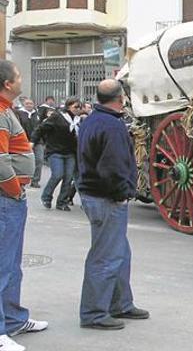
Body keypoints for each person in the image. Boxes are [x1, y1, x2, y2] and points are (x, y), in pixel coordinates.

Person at [77, 80, 147, 330]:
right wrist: (121, 193)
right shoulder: (112, 126)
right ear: (121, 99)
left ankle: (120, 303)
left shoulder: (92, 120)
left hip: (94, 194)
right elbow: (112, 168)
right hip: (105, 198)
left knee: (119, 253)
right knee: (106, 256)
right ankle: (94, 313)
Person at [0, 60, 48, 351]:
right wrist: (15, 190)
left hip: (10, 201)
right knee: (3, 266)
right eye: (18, 76)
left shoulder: (6, 110)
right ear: (8, 84)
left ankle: (14, 319)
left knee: (11, 265)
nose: (21, 80)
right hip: (6, 199)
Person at [33, 96, 80, 211]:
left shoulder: (78, 120)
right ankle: (46, 197)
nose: (78, 109)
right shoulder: (57, 117)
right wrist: (33, 141)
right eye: (76, 107)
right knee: (57, 174)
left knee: (68, 178)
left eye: (79, 107)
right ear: (69, 106)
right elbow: (41, 129)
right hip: (55, 151)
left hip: (70, 153)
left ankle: (62, 202)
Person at [15, 98, 42, 187]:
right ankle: (22, 179)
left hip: (37, 141)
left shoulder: (37, 114)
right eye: (27, 103)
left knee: (39, 160)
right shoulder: (19, 113)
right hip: (24, 141)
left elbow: (40, 128)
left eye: (31, 103)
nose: (29, 105)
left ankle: (35, 181)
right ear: (24, 104)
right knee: (24, 161)